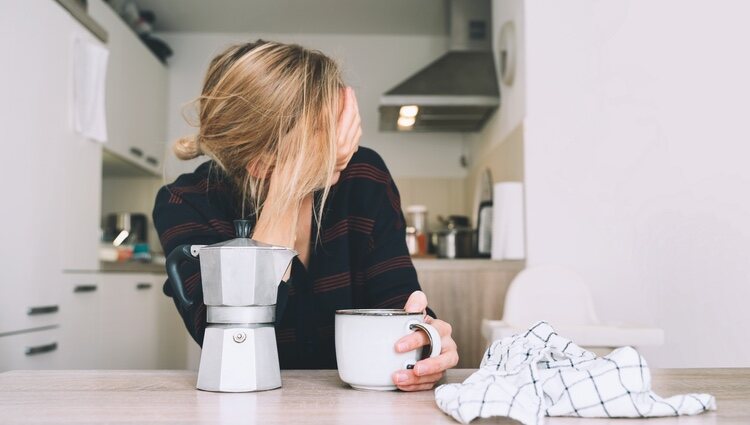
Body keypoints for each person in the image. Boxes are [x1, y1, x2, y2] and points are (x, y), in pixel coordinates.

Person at [153, 40, 458, 391]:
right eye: (320, 130)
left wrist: (423, 347)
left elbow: (398, 307)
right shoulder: (184, 202)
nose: (341, 144)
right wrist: (291, 192)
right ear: (260, 162)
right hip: (246, 400)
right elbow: (228, 335)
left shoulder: (363, 176)